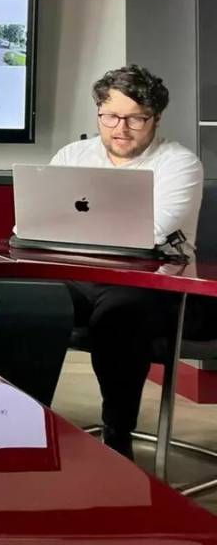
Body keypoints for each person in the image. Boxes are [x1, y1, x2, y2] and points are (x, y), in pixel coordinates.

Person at [52, 64, 208, 458]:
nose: (120, 129)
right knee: (23, 303)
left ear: (156, 118)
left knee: (120, 315)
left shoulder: (179, 164)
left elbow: (151, 231)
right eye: (110, 116)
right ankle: (21, 424)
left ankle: (117, 438)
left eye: (135, 119)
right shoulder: (73, 155)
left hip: (154, 282)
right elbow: (40, 220)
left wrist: (72, 229)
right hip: (79, 275)